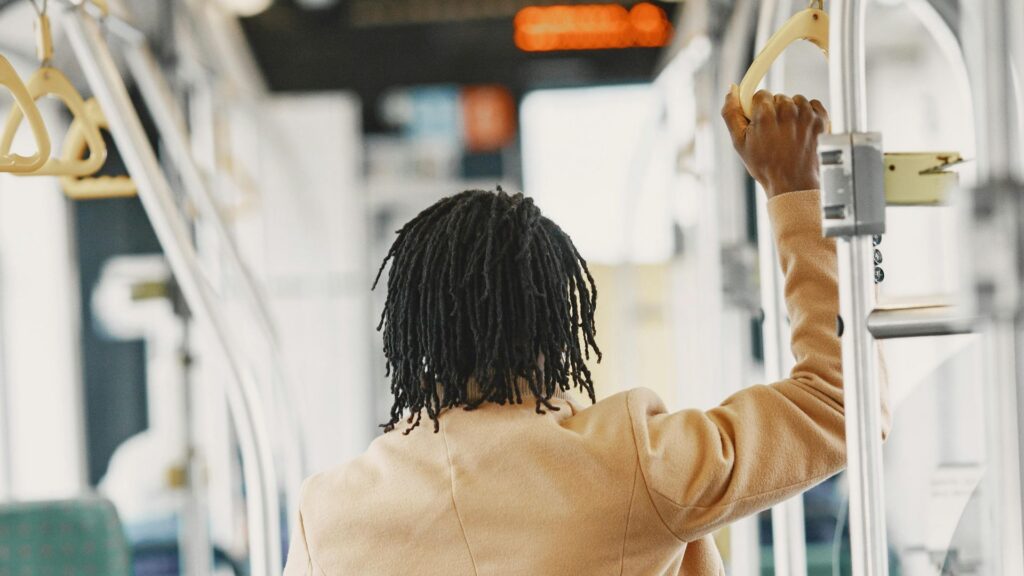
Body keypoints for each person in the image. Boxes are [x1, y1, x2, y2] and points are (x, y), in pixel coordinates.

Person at [282, 87, 890, 575]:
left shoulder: (327, 516)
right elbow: (841, 402)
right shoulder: (628, 466)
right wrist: (799, 195)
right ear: (559, 326)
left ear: (410, 334)